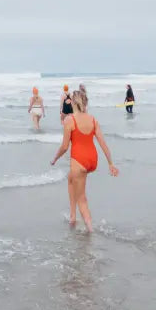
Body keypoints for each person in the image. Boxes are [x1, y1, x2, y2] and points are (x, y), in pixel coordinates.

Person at [51, 89, 118, 232]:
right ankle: (73, 216)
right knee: (70, 178)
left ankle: (90, 230)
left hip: (79, 160)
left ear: (73, 103)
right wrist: (110, 163)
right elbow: (103, 143)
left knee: (82, 199)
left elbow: (64, 147)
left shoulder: (70, 120)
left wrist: (55, 158)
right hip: (92, 160)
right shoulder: (93, 119)